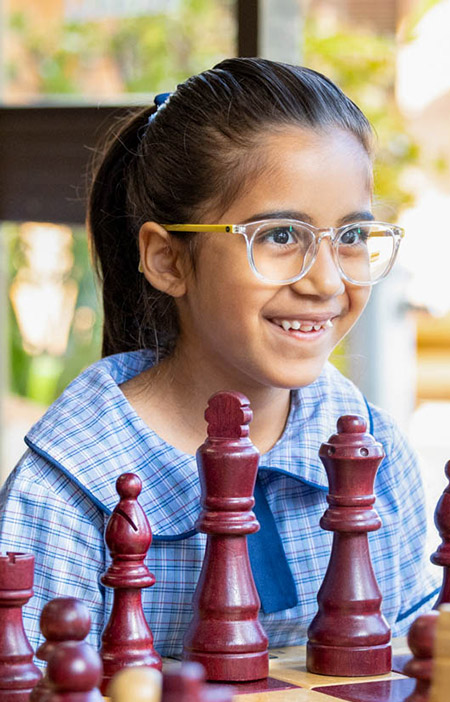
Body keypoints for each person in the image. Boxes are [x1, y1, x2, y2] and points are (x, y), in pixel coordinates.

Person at [0, 57, 440, 656]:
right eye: (280, 236)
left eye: (352, 237)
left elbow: (406, 673)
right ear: (167, 259)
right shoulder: (66, 495)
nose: (327, 282)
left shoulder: (378, 456)